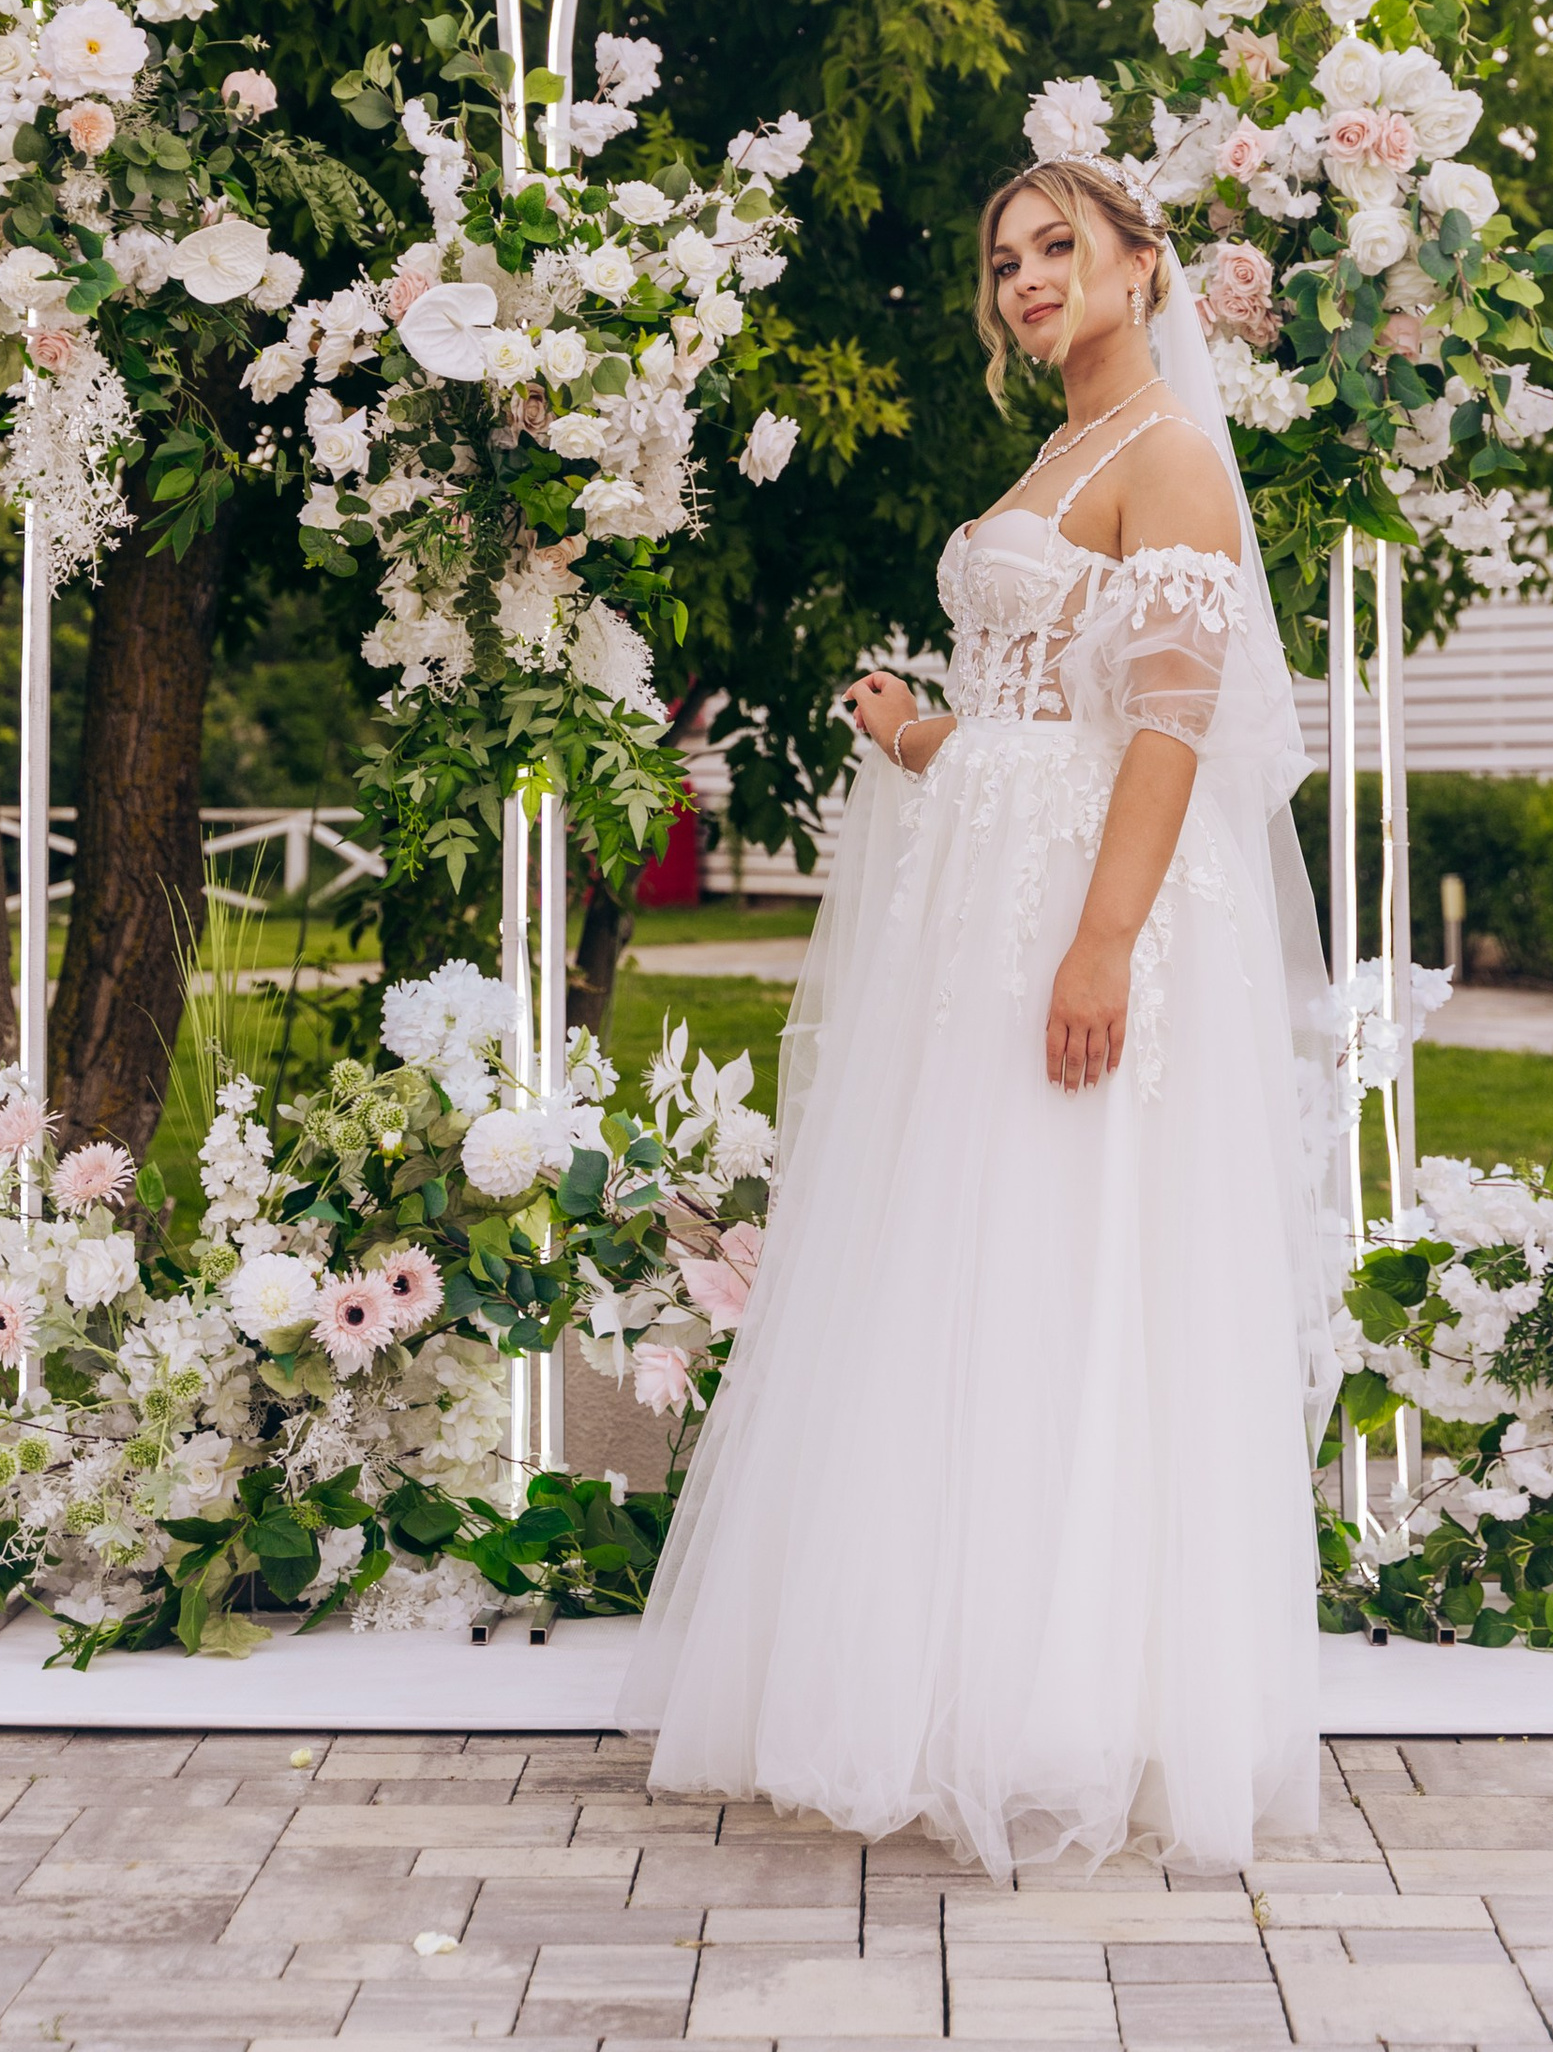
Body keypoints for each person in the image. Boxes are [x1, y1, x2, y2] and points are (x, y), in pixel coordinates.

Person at [627, 155, 1347, 1871]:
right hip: (989, 895)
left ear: (1137, 261)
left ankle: (1071, 1699)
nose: (1027, 277)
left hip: (1089, 916)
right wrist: (926, 735)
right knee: (964, 1259)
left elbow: (1169, 731)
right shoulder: (1060, 454)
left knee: (1072, 1261)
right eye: (1006, 255)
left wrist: (1101, 946)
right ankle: (941, 1669)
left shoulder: (1170, 454)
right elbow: (1055, 717)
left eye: (1058, 247)